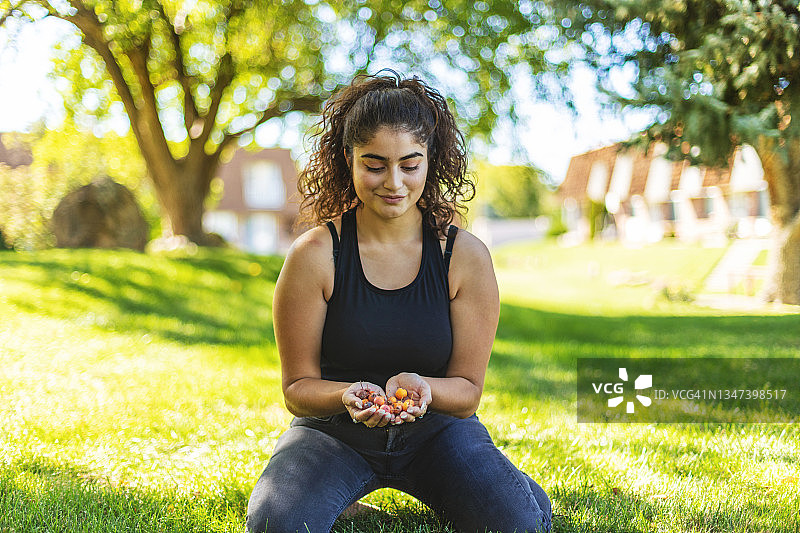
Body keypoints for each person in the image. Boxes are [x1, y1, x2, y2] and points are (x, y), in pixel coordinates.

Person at [245, 71, 551, 533]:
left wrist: (424, 389)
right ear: (347, 160)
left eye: (410, 164)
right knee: (277, 523)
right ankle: (340, 492)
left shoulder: (464, 256)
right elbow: (298, 389)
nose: (394, 183)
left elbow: (467, 392)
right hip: (334, 433)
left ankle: (503, 487)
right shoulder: (314, 254)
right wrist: (345, 395)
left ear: (431, 161)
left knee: (517, 523)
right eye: (374, 164)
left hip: (438, 432)